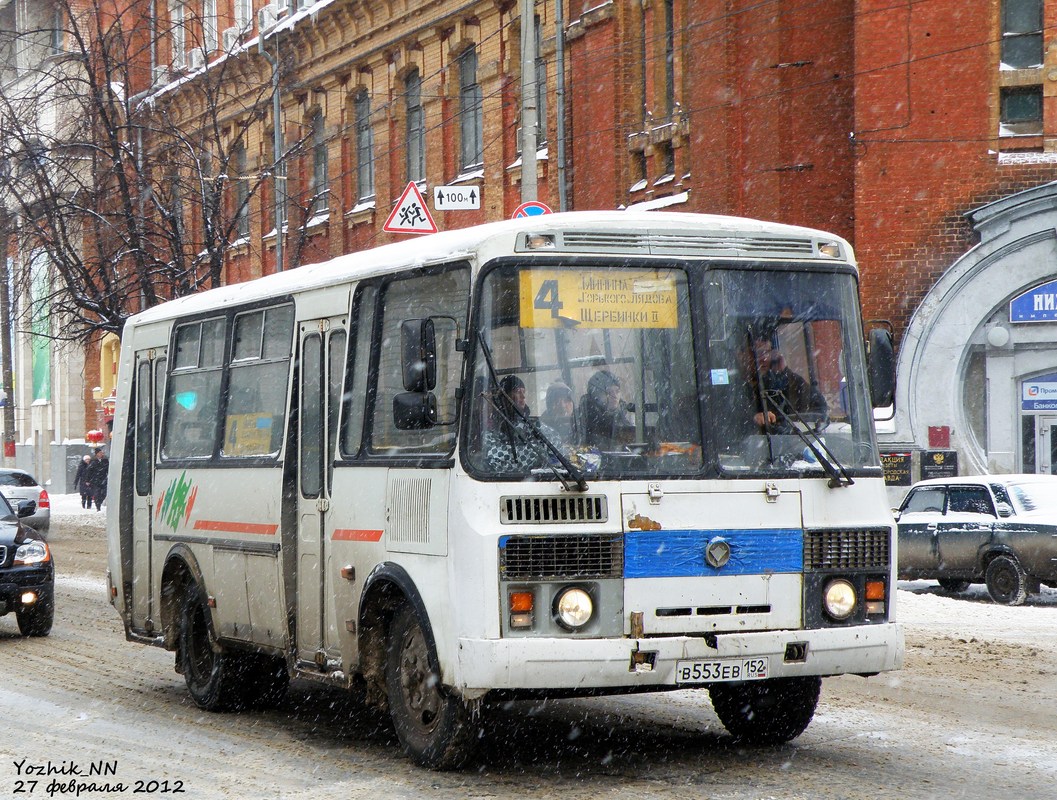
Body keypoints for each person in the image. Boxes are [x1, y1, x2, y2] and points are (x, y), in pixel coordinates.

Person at [745, 336, 827, 433]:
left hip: (780, 443)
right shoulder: (731, 385)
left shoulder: (772, 382)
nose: (765, 359)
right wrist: (753, 419)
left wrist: (785, 371)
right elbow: (729, 421)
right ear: (742, 354)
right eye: (759, 353)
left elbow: (819, 404)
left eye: (767, 353)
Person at [482, 375, 558, 472]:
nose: (523, 396)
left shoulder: (533, 424)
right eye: (518, 392)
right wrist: (538, 453)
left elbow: (557, 449)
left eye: (524, 392)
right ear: (505, 396)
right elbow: (495, 460)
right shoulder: (493, 427)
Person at [580, 370, 635, 449]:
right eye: (608, 392)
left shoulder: (622, 417)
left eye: (617, 391)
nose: (615, 396)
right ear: (595, 396)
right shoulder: (584, 418)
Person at [85, 447, 109, 511]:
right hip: (95, 479)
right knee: (97, 494)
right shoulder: (93, 461)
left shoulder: (105, 460)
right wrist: (87, 480)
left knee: (104, 493)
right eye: (100, 453)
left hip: (103, 479)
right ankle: (98, 506)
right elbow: (89, 471)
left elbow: (108, 469)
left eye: (102, 452)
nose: (101, 454)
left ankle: (100, 502)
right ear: (97, 454)